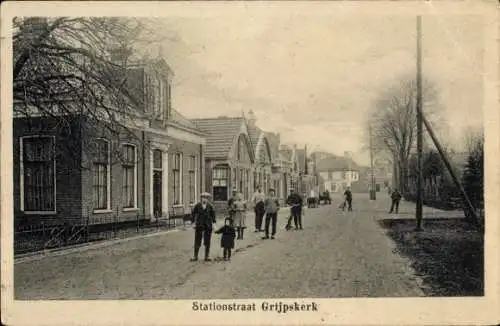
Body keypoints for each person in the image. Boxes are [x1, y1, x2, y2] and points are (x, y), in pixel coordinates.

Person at [190, 192, 217, 262]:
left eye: (206, 198)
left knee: (207, 241)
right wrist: (193, 223)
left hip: (208, 226)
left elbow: (213, 217)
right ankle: (195, 256)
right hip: (199, 225)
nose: (204, 199)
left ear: (208, 199)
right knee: (197, 240)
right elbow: (193, 214)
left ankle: (207, 256)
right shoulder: (197, 206)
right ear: (201, 198)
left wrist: (214, 224)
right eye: (203, 198)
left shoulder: (211, 206)